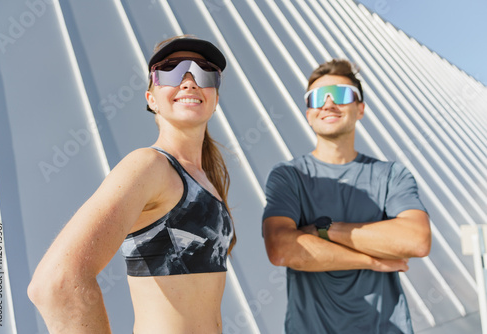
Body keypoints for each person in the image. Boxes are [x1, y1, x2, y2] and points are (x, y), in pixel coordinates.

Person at [28, 35, 236, 334]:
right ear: (151, 99)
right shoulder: (149, 166)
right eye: (172, 70)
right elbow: (56, 283)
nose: (189, 81)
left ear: (215, 97)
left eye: (204, 72)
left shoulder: (208, 181)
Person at [262, 59, 431, 334]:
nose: (328, 104)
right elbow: (281, 249)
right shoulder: (288, 176)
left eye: (341, 95)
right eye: (317, 97)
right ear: (309, 112)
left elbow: (417, 240)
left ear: (360, 109)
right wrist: (372, 260)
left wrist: (323, 230)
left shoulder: (391, 175)